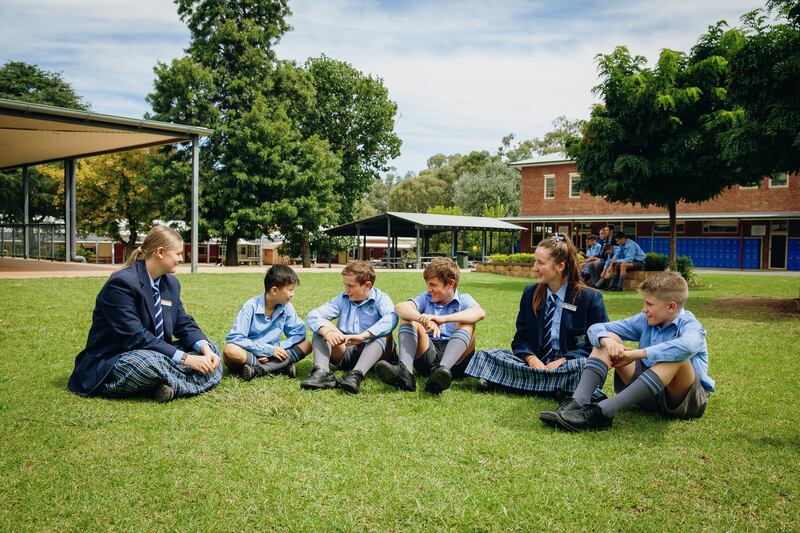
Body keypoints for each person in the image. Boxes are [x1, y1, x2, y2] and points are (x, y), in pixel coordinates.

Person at [540, 271, 714, 431]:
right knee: (606, 339)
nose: (644, 309)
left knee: (677, 357)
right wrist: (608, 341)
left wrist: (636, 354)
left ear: (671, 307)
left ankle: (603, 412)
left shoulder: (692, 326)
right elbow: (596, 328)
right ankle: (577, 402)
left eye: (649, 304)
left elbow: (686, 346)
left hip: (684, 402)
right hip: (647, 395)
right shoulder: (645, 319)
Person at [67, 226, 221, 403]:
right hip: (118, 357)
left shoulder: (171, 284)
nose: (181, 258)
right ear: (160, 252)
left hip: (160, 352)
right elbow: (136, 338)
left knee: (213, 349)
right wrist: (186, 360)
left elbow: (183, 323)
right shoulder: (121, 284)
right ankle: (181, 382)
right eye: (178, 253)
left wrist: (205, 349)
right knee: (148, 364)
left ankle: (166, 386)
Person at [466, 234, 608, 399]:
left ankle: (516, 384)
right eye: (535, 262)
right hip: (535, 365)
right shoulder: (530, 293)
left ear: (560, 266)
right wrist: (532, 359)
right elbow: (520, 339)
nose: (535, 268)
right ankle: (557, 389)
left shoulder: (589, 298)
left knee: (587, 366)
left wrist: (563, 360)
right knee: (485, 355)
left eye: (540, 263)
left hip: (568, 365)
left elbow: (598, 345)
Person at [375, 257, 485, 394]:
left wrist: (442, 319)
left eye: (433, 285)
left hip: (457, 361)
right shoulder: (426, 297)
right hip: (429, 353)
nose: (429, 289)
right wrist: (423, 319)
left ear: (451, 283)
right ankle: (405, 374)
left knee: (468, 324)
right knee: (408, 319)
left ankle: (441, 373)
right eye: (427, 284)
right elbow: (400, 307)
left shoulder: (464, 299)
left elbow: (479, 313)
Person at [301, 261, 398, 394]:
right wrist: (326, 332)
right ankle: (322, 373)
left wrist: (364, 336)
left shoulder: (381, 298)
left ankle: (356, 375)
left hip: (377, 354)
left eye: (350, 286)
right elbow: (313, 315)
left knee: (385, 333)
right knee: (321, 328)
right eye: (345, 285)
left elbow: (392, 319)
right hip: (346, 350)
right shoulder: (343, 299)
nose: (346, 289)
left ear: (367, 285)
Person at [222, 264, 311, 381]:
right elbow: (235, 338)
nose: (292, 294)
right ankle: (280, 366)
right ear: (274, 290)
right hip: (250, 353)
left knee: (308, 345)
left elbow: (298, 334)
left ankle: (258, 370)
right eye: (290, 290)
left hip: (274, 352)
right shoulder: (250, 307)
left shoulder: (286, 307)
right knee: (230, 350)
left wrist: (276, 349)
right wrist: (267, 350)